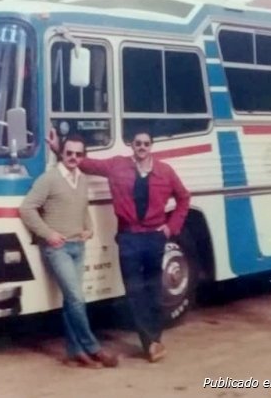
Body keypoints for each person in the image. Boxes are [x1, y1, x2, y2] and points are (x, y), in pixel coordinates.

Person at [48, 128, 190, 363]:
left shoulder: (165, 171)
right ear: (131, 145)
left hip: (155, 238)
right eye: (137, 143)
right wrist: (57, 148)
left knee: (154, 291)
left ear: (151, 146)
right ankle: (151, 343)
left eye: (146, 143)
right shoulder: (117, 166)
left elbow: (184, 198)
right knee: (134, 292)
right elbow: (86, 164)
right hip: (128, 238)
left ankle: (155, 339)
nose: (142, 147)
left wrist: (170, 228)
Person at [19, 134, 118, 369]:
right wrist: (48, 234)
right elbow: (27, 209)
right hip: (58, 249)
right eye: (69, 153)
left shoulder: (82, 179)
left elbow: (83, 206)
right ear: (62, 154)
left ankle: (75, 352)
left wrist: (89, 228)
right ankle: (93, 347)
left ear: (83, 156)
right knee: (76, 297)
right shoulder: (49, 179)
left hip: (78, 246)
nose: (74, 157)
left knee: (70, 301)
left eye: (78, 154)